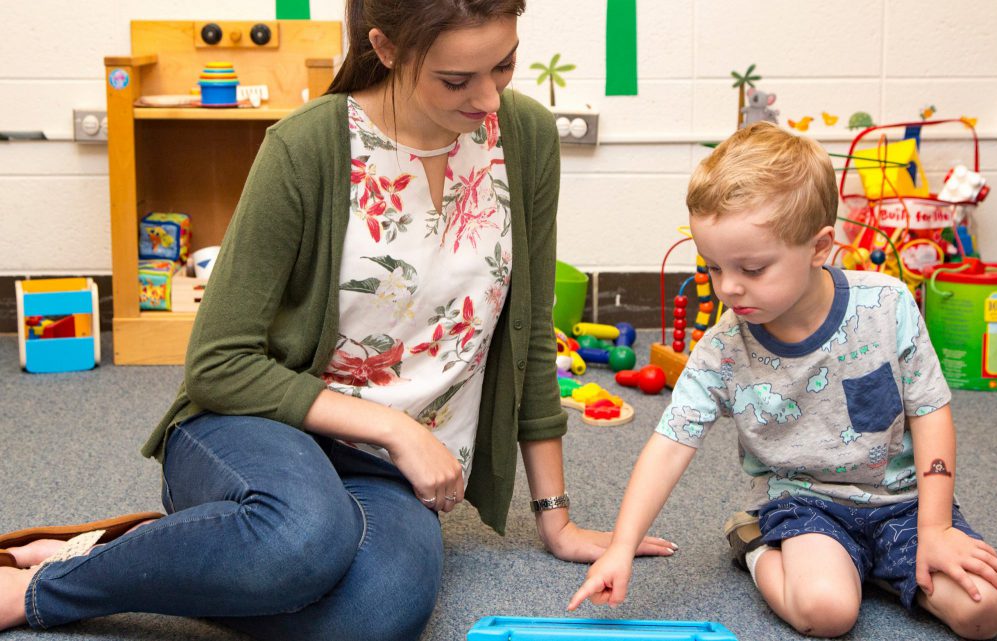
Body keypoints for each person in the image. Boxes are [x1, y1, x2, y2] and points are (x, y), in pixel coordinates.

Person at [0, 1, 674, 638]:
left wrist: (555, 518)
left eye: (503, 65)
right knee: (302, 538)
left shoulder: (523, 137)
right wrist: (395, 429)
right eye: (456, 79)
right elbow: (217, 365)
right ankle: (48, 586)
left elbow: (526, 336)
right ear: (384, 48)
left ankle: (208, 549)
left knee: (376, 616)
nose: (488, 98)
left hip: (386, 475)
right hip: (257, 426)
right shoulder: (308, 146)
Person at [568, 122, 997, 639]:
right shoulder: (722, 349)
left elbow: (931, 412)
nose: (729, 288)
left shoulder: (888, 305)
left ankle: (874, 564)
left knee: (986, 611)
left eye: (753, 268)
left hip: (905, 502)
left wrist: (934, 529)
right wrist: (622, 546)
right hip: (805, 503)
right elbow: (669, 445)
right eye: (713, 267)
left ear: (820, 246)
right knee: (828, 613)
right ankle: (758, 542)